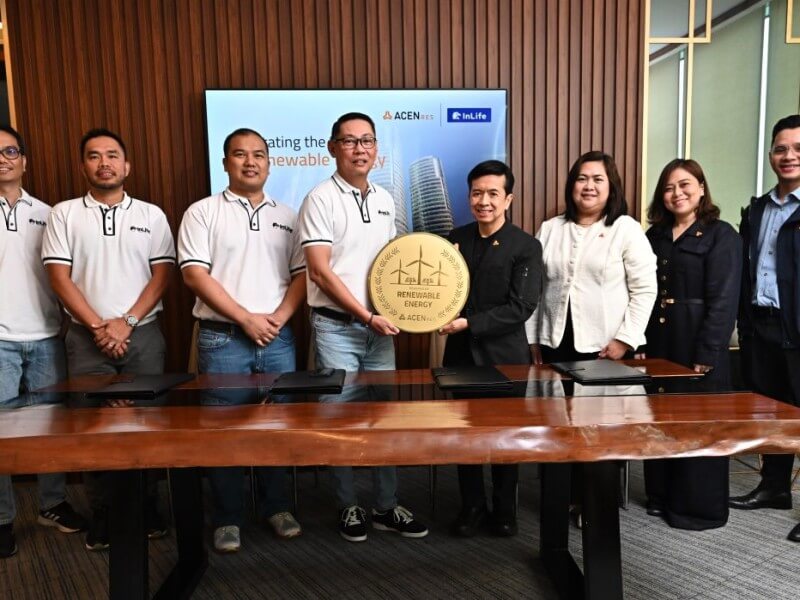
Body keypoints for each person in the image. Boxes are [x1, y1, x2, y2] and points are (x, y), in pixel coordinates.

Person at [41, 128, 175, 551]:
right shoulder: (63, 214)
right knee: (92, 427)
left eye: (113, 155)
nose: (104, 163)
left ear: (127, 165)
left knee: (146, 424)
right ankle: (103, 512)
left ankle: (148, 506)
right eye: (94, 156)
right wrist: (101, 327)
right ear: (83, 165)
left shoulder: (152, 215)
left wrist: (127, 322)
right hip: (86, 339)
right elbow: (58, 278)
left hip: (144, 335)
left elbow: (162, 274)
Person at [297, 112, 427, 542]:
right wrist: (365, 316)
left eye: (366, 140)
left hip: (380, 331)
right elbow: (319, 272)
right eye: (349, 141)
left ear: (376, 149)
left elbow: (392, 266)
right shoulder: (319, 199)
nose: (359, 149)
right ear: (333, 148)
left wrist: (410, 308)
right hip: (338, 329)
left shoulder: (386, 198)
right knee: (340, 420)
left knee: (384, 419)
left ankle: (386, 507)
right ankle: (348, 506)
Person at [178, 128, 305, 553]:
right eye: (240, 154)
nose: (250, 162)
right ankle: (228, 516)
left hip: (278, 336)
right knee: (222, 430)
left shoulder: (288, 214)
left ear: (270, 163)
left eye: (259, 155)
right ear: (225, 162)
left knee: (278, 426)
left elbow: (302, 275)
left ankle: (277, 507)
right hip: (223, 336)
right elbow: (194, 274)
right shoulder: (202, 212)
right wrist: (246, 319)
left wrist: (278, 318)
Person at [439, 160, 542, 537]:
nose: (484, 201)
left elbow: (521, 307)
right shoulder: (455, 239)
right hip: (460, 356)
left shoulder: (526, 246)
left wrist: (470, 322)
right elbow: (442, 292)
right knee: (464, 437)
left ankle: (504, 509)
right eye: (477, 193)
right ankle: (472, 507)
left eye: (492, 194)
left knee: (505, 436)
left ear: (508, 199)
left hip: (505, 359)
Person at [638, 158, 741, 530]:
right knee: (661, 417)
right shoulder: (654, 237)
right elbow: (645, 293)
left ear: (701, 188)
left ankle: (696, 508)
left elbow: (725, 301)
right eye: (668, 187)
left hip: (697, 340)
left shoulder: (721, 234)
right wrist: (640, 341)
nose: (676, 193)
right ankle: (660, 496)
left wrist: (707, 352)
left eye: (684, 185)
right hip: (661, 340)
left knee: (700, 423)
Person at [0, 126, 88, 558]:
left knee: (49, 429)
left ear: (24, 160)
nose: (3, 158)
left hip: (48, 335)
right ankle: (1, 518)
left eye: (10, 151)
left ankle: (52, 504)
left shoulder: (51, 214)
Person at [732, 114, 800, 542]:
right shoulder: (758, 208)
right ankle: (775, 487)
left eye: (797, 148)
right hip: (762, 326)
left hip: (798, 330)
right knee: (774, 413)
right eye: (781, 148)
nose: (789, 156)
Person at [526, 150, 656, 364]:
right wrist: (533, 338)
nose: (589, 186)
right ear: (572, 186)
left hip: (608, 348)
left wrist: (625, 340)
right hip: (553, 345)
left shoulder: (626, 229)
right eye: (581, 179)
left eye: (598, 180)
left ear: (611, 187)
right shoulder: (550, 229)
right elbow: (534, 290)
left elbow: (644, 290)